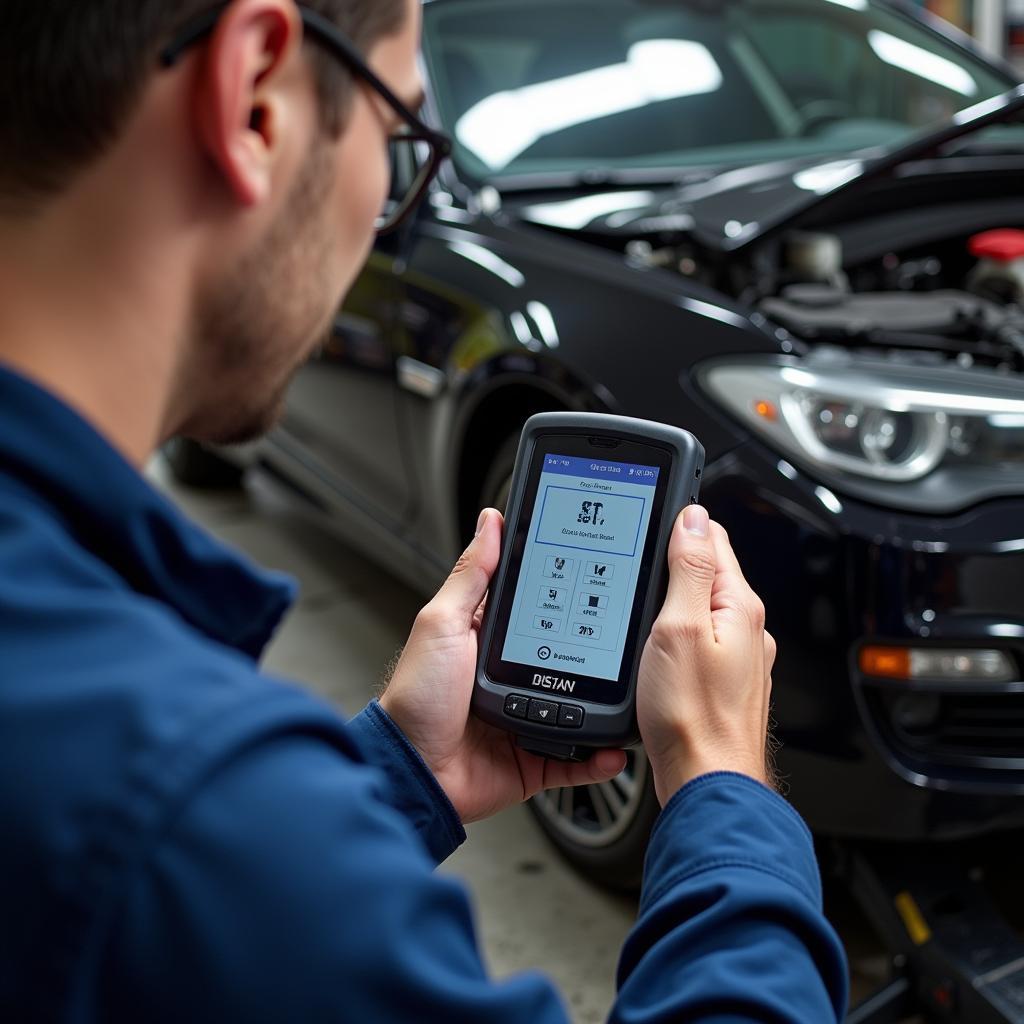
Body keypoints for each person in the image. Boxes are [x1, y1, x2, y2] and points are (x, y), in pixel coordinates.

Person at [0, 0, 849, 1020]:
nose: (380, 205)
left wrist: (404, 771)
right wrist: (727, 792)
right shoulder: (174, 793)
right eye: (397, 133)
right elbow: (199, 865)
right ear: (255, 100)